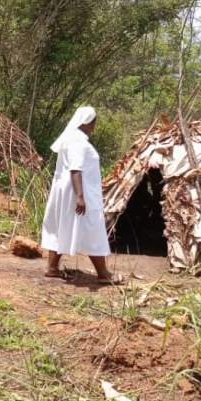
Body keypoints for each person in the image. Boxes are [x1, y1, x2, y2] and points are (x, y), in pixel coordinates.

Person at [41, 106, 123, 284]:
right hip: (76, 191)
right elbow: (75, 169)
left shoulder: (71, 138)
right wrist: (80, 196)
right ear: (88, 122)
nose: (94, 126)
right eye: (94, 122)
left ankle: (52, 268)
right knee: (93, 228)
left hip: (66, 191)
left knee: (62, 226)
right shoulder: (78, 142)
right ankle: (103, 273)